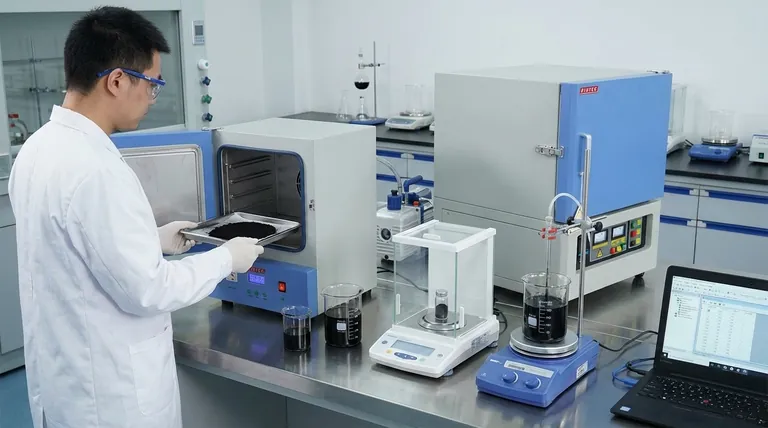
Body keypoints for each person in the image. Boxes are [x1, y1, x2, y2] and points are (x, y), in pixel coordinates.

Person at [8, 6, 264, 428]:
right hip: (112, 399)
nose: (151, 98)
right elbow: (150, 290)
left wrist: (152, 239)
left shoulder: (37, 149)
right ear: (117, 80)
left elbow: (70, 249)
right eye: (152, 84)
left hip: (64, 384)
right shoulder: (97, 170)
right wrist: (225, 259)